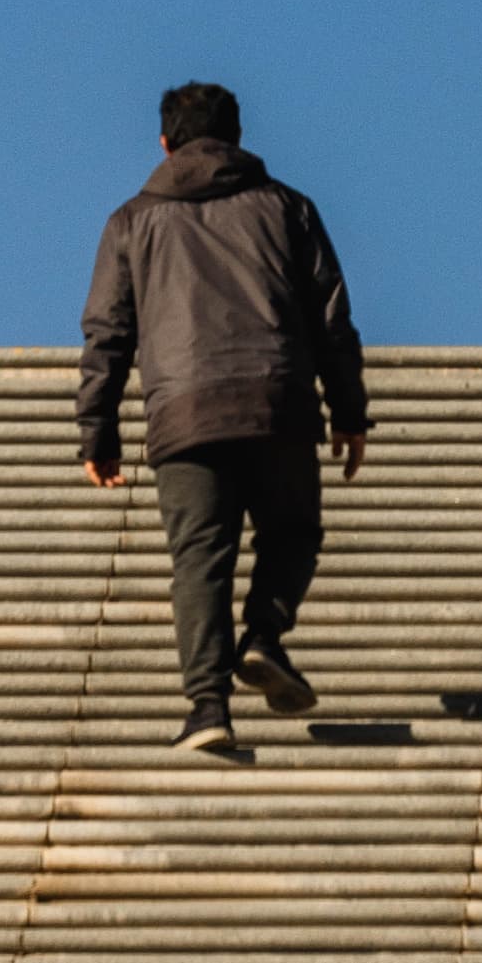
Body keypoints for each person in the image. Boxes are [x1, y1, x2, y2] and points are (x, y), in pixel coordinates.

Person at [78, 84, 370, 750]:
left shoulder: (131, 221)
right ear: (238, 136)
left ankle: (208, 708)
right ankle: (263, 635)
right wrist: (348, 410)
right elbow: (333, 319)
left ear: (164, 142)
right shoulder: (287, 207)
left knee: (200, 560)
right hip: (277, 402)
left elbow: (107, 333)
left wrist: (99, 432)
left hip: (183, 415)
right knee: (293, 531)